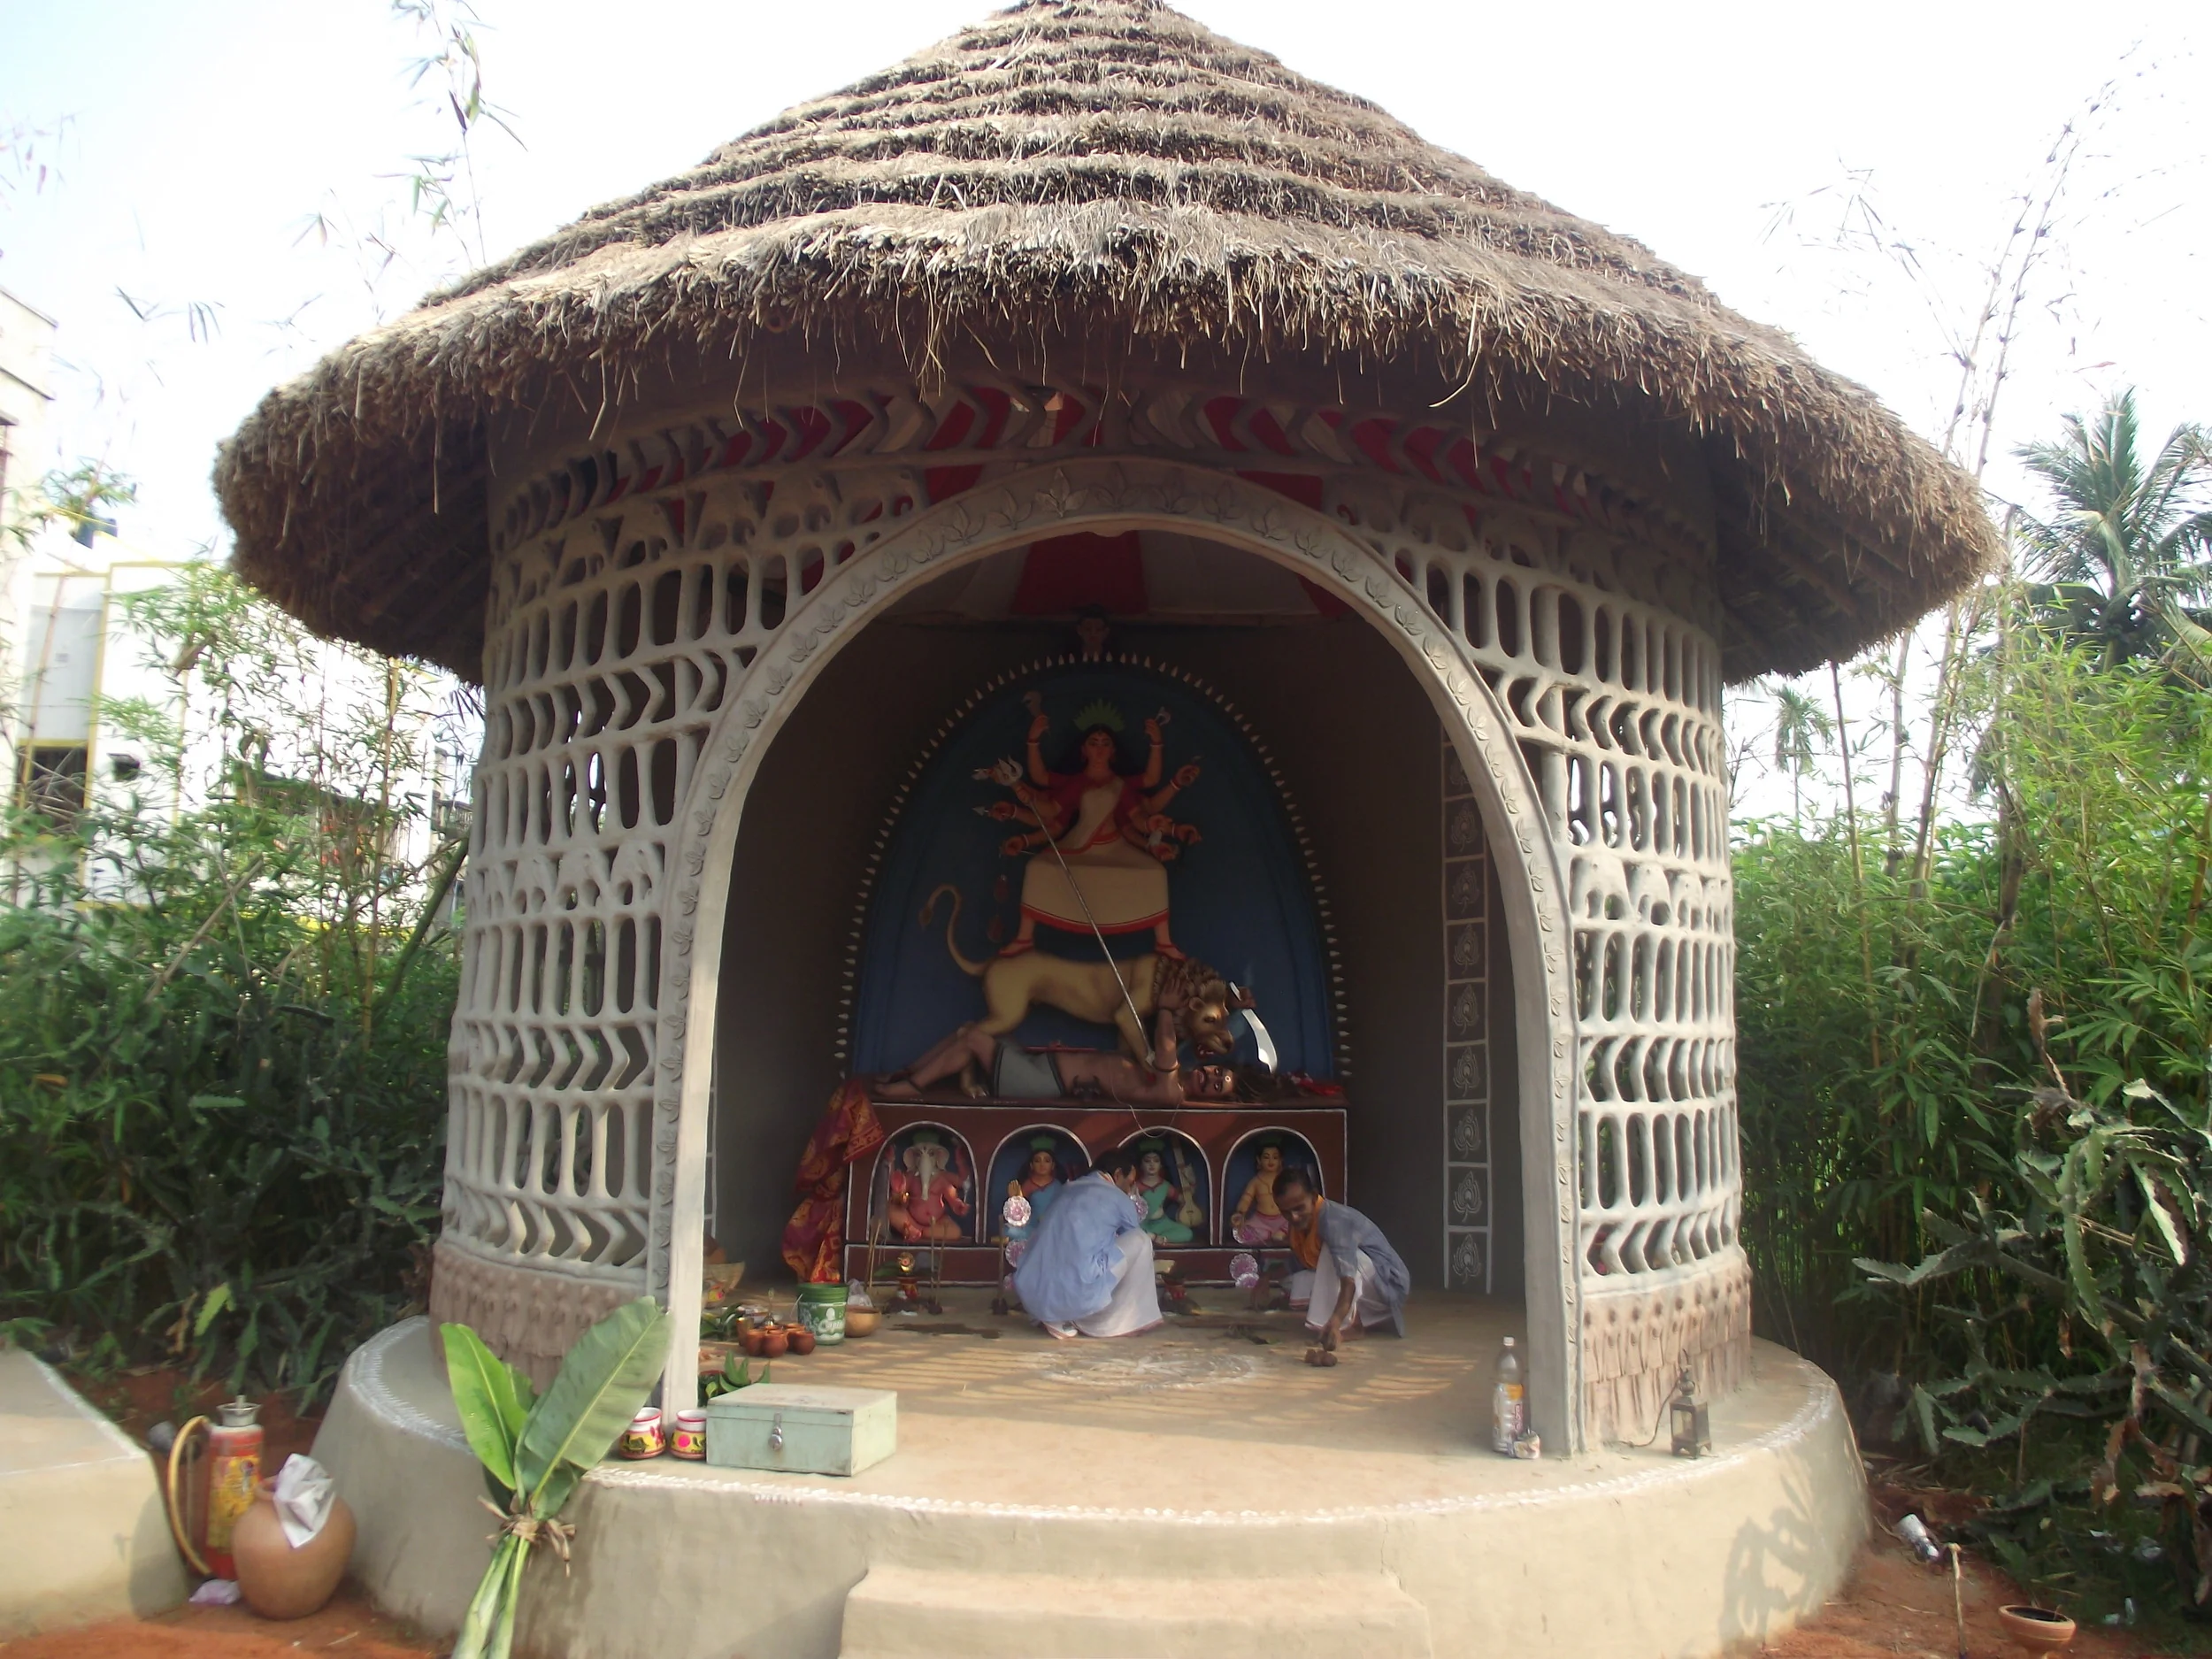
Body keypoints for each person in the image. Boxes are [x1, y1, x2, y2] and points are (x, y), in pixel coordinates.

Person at [879, 975, 1245, 1105]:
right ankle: (911, 1072)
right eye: (1217, 1074)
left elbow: (1166, 1048)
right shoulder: (1168, 1070)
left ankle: (913, 1087)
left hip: (1041, 1082)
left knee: (974, 1039)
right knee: (969, 1031)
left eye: (1216, 1087)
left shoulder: (1170, 1092)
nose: (1210, 1078)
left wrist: (1165, 1009)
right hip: (1040, 1067)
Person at [1010, 1148, 1162, 1340]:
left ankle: (1055, 1314)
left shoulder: (1067, 1189)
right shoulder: (1118, 1197)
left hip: (1032, 1292)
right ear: (1116, 1175)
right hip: (1075, 1292)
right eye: (1129, 1182)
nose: (1129, 1189)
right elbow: (1131, 1234)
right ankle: (1114, 1320)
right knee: (1141, 1240)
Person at [1273, 1168, 1409, 1344]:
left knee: (1331, 1253)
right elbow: (1299, 1263)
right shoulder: (1301, 1223)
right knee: (1295, 1281)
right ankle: (1346, 1317)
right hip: (1363, 1284)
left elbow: (1348, 1280)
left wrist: (1336, 1323)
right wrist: (1265, 1279)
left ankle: (1352, 1325)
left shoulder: (1333, 1221)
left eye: (1299, 1208)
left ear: (1314, 1197)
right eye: (1286, 1212)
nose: (1294, 1217)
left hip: (1387, 1285)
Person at [1230, 1142, 1290, 1245]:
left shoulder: (1283, 1180)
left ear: (1281, 1161)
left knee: (1296, 1224)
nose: (1271, 1161)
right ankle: (1267, 1234)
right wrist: (1240, 1213)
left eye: (1275, 1158)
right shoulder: (1256, 1181)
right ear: (1259, 1160)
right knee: (1242, 1232)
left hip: (1282, 1219)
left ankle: (1281, 1232)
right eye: (1266, 1157)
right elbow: (1246, 1199)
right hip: (1261, 1221)